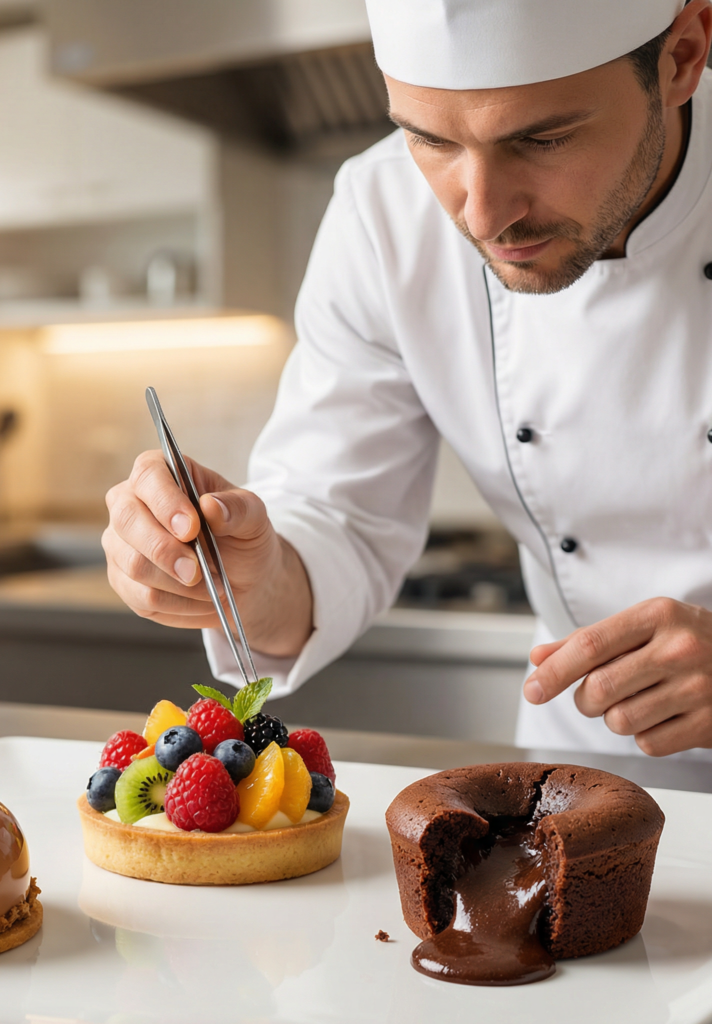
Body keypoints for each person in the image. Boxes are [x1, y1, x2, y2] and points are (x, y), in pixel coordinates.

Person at [102, 0, 712, 759]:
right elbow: (339, 522)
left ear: (682, 57)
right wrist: (250, 581)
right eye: (431, 139)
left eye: (544, 138)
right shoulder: (380, 216)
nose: (485, 214)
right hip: (587, 757)